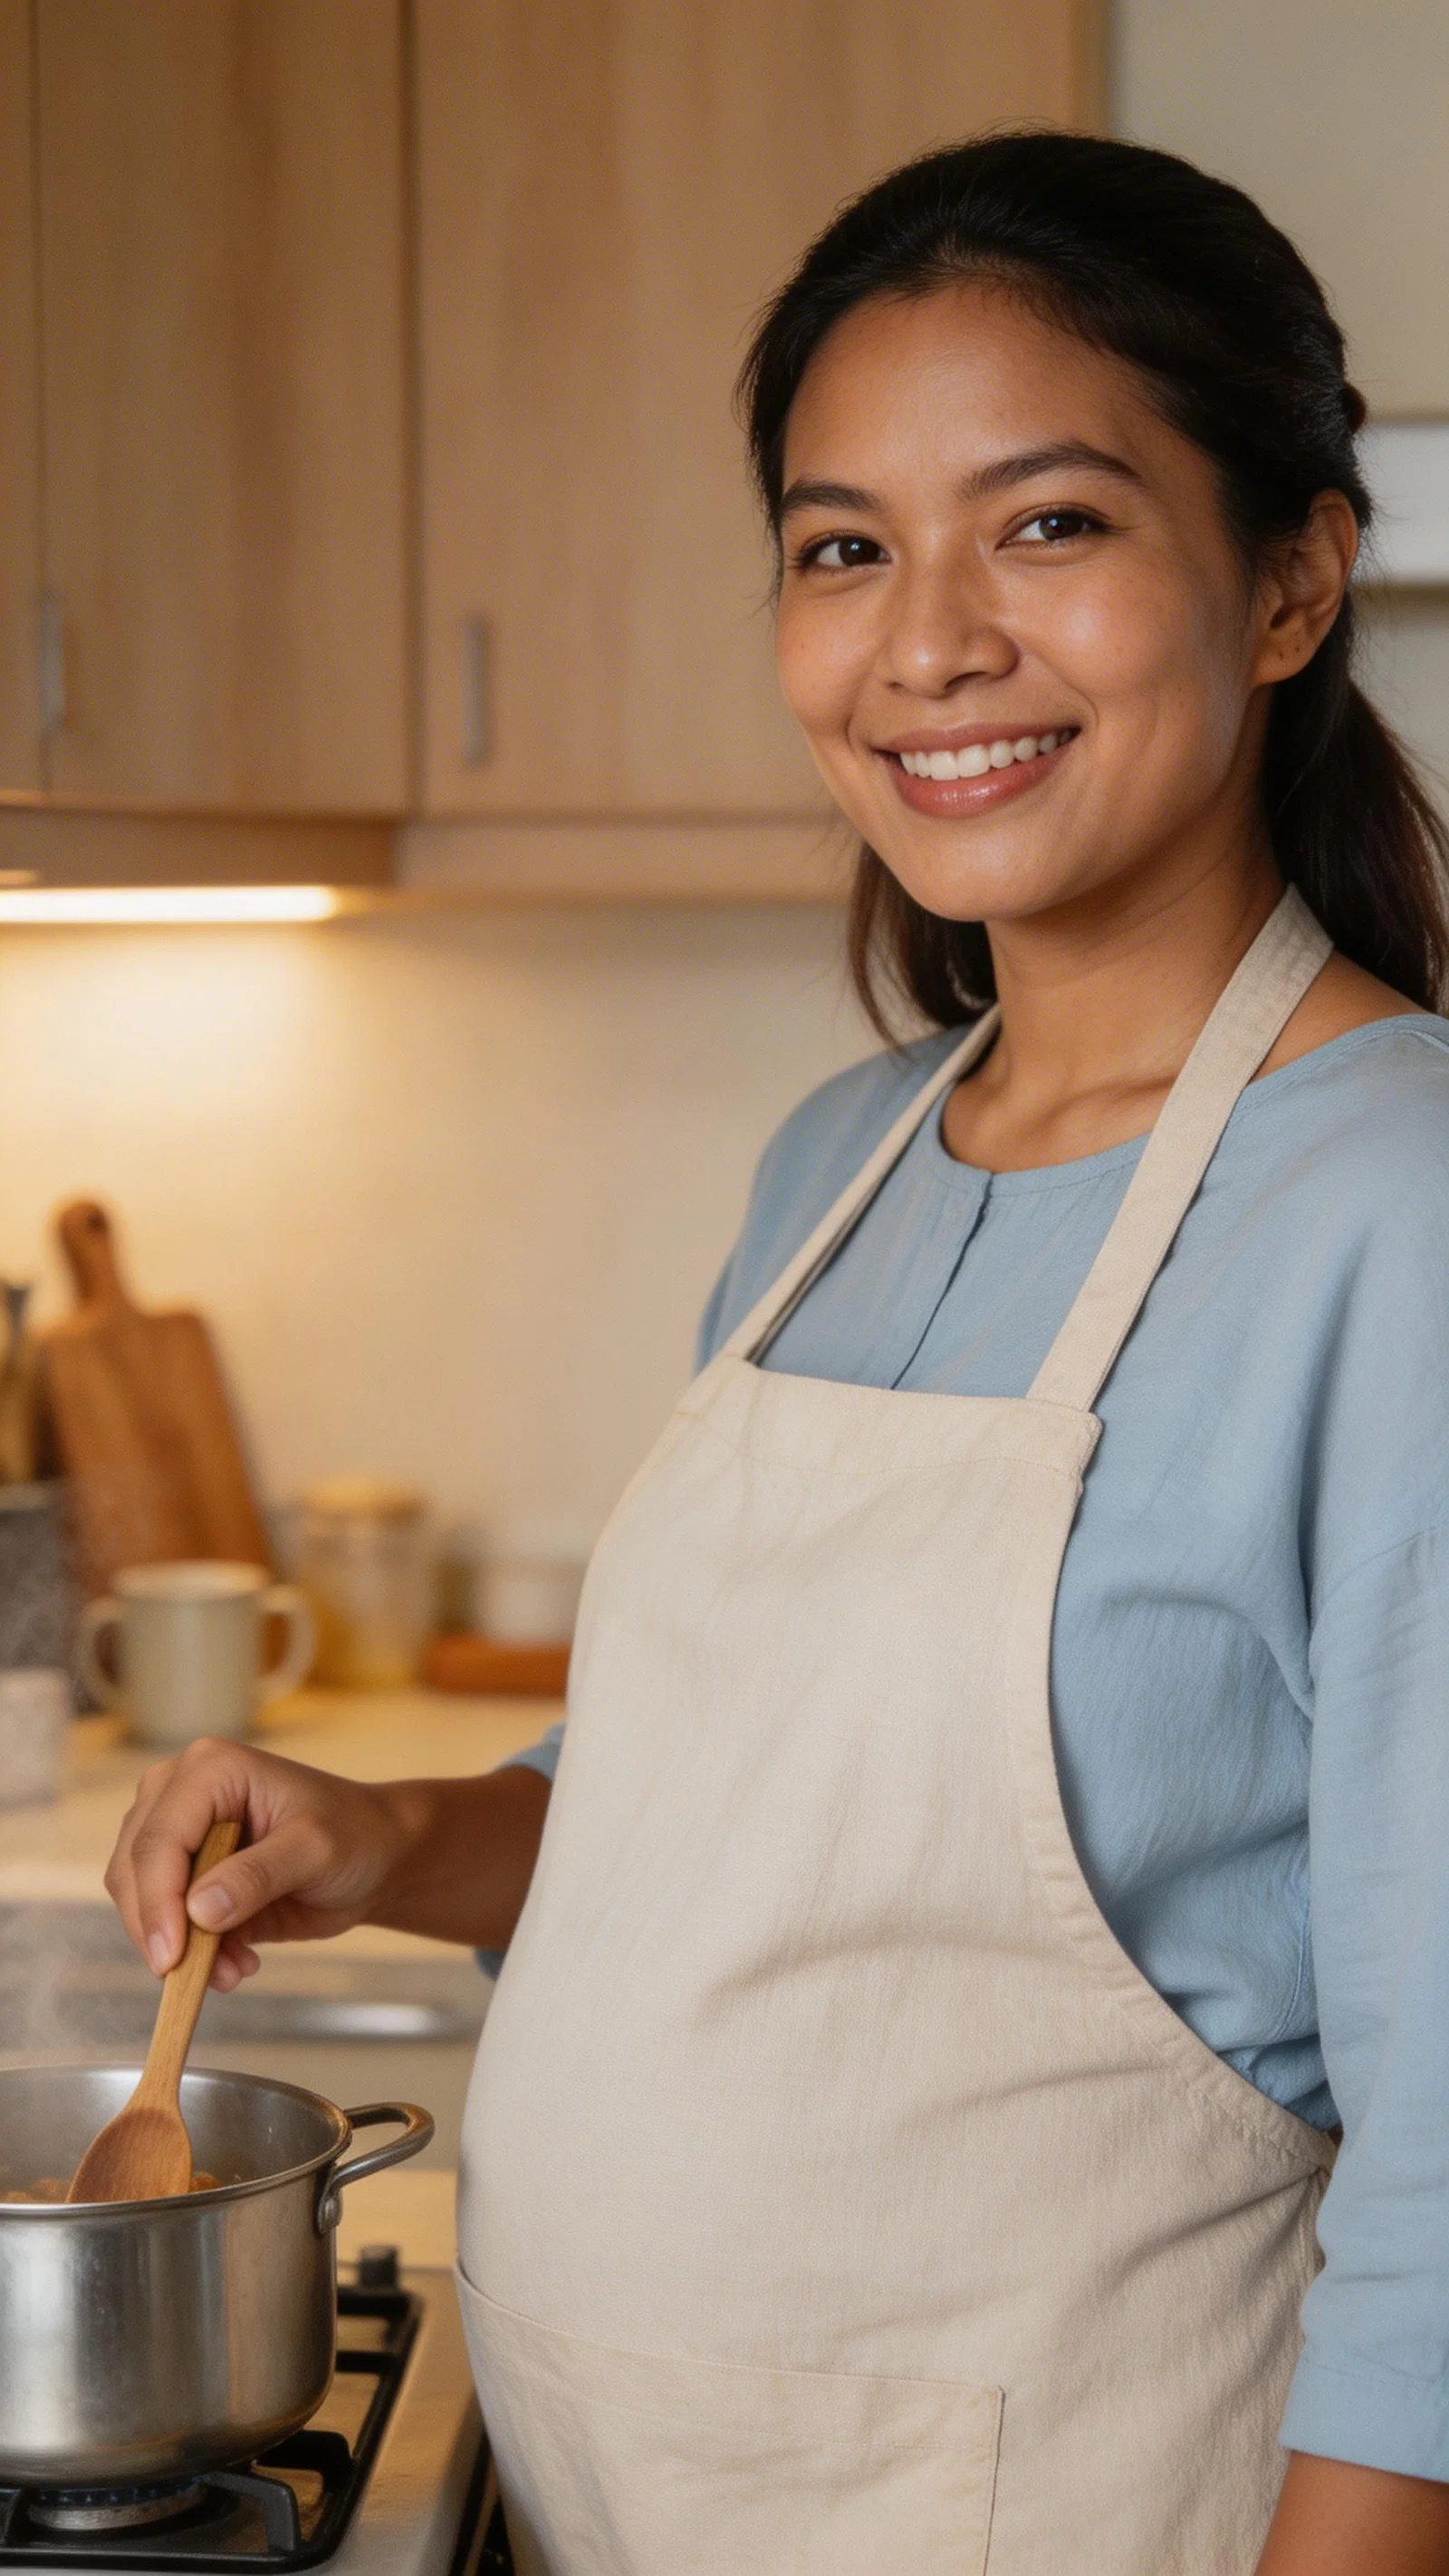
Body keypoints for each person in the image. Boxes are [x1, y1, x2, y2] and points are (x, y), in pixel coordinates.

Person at [104, 134, 1449, 2574]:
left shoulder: (1396, 1215)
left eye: (1045, 524)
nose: (924, 640)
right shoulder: (843, 1154)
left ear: (1284, 579)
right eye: (844, 547)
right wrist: (401, 1835)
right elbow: (711, 1819)